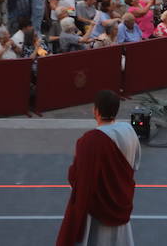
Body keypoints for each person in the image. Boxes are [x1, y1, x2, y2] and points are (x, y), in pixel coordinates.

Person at [57, 89, 141, 246]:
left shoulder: (89, 141)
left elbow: (79, 179)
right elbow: (135, 164)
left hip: (98, 213)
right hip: (121, 201)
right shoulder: (129, 131)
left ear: (95, 110)